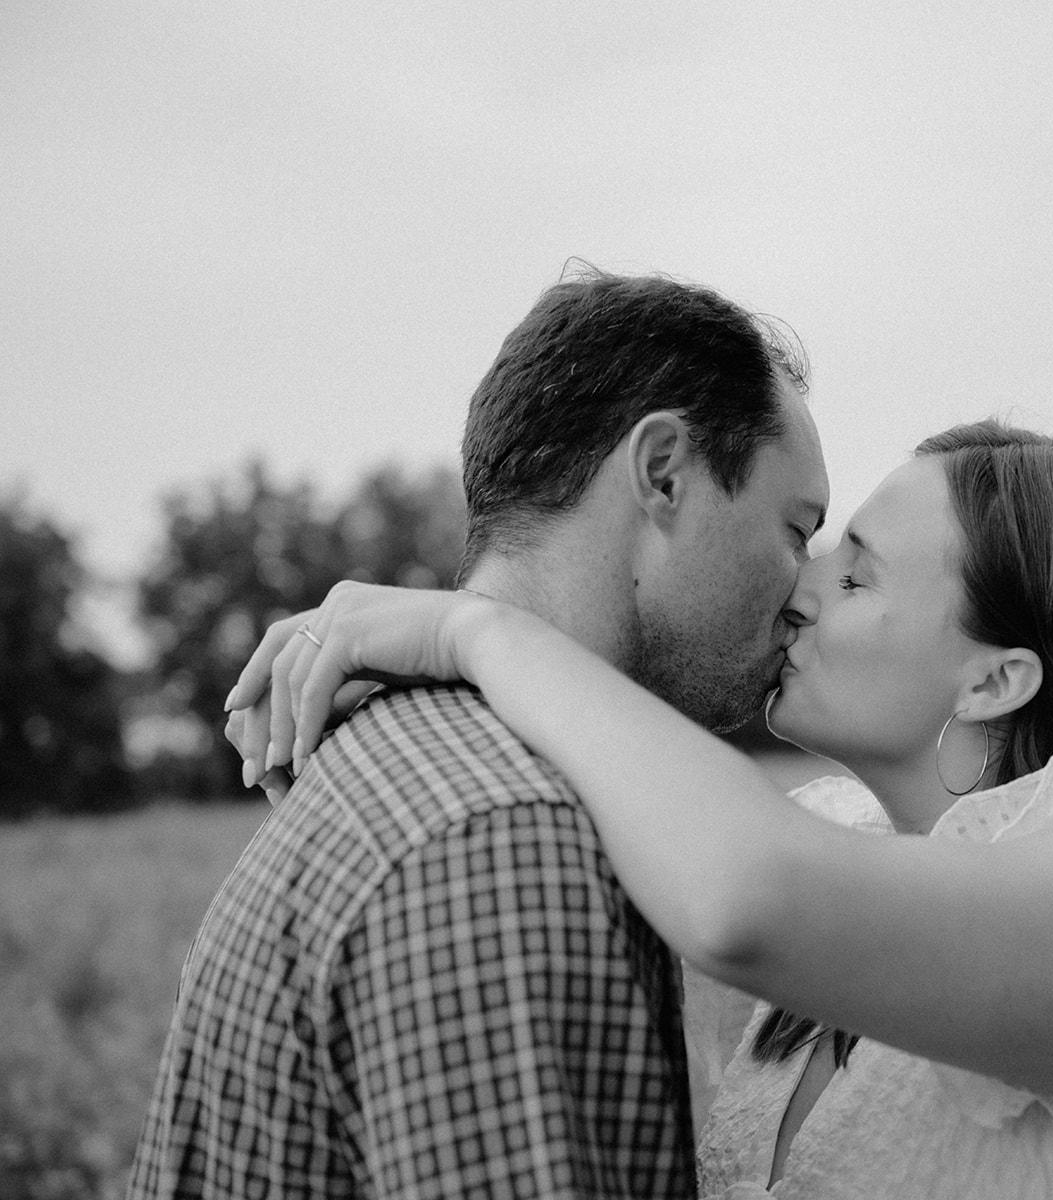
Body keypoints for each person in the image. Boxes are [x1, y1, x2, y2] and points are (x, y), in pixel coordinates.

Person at [226, 421, 1053, 1198]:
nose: (799, 588)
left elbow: (743, 896)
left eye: (857, 572)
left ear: (994, 679)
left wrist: (476, 629)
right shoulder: (855, 878)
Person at [129, 267, 831, 1200]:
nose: (805, 589)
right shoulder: (507, 836)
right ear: (664, 472)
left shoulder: (422, 760)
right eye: (797, 528)